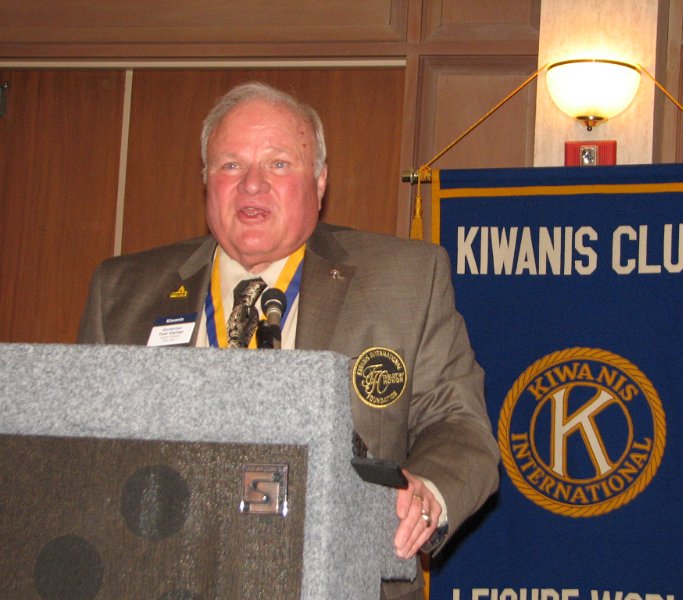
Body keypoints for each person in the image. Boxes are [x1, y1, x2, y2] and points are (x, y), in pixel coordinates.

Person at [78, 81, 499, 598]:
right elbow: (81, 457)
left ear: (319, 183)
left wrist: (428, 491)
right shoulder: (122, 293)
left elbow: (459, 426)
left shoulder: (408, 280)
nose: (252, 185)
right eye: (231, 165)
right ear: (205, 180)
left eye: (278, 164)